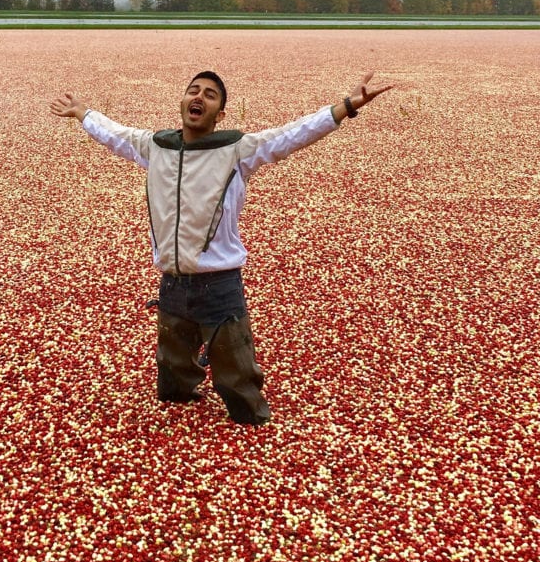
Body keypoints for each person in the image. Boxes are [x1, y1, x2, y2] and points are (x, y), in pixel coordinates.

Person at [50, 70, 392, 425]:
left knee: (239, 382)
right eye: (193, 91)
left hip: (219, 283)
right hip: (172, 281)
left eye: (210, 95)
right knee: (172, 380)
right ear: (182, 102)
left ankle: (251, 420)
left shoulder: (237, 151)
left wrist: (347, 106)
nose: (199, 97)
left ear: (220, 115)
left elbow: (292, 134)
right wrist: (83, 113)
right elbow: (114, 134)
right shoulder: (156, 146)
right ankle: (182, 401)